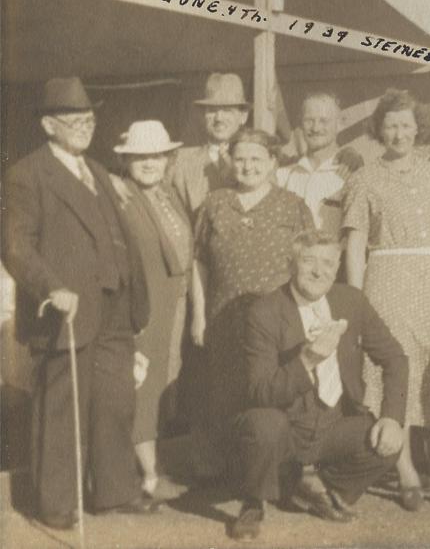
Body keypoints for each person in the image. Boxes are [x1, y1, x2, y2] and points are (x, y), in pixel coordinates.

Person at [2, 77, 158, 529]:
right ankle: (55, 503)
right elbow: (14, 245)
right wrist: (51, 287)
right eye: (74, 120)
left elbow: (117, 237)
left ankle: (114, 491)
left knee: (114, 400)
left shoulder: (99, 170)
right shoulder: (27, 175)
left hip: (114, 305)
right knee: (61, 407)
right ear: (49, 125)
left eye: (89, 118)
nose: (86, 126)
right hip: (65, 309)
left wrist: (134, 295)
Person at [342, 89, 430, 512]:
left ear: (418, 127)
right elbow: (354, 245)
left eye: (406, 125)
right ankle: (405, 473)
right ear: (378, 130)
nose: (399, 133)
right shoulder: (364, 178)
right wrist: (356, 305)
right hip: (386, 280)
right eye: (391, 125)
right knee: (393, 375)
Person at [229, 230, 409, 541]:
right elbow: (259, 391)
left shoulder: (351, 301)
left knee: (387, 444)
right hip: (286, 424)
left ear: (338, 266)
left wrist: (392, 416)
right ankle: (253, 502)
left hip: (332, 422)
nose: (318, 271)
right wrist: (308, 359)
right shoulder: (264, 312)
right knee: (263, 424)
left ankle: (315, 487)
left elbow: (396, 358)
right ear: (290, 264)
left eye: (328, 263)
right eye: (308, 261)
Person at [192, 128, 315, 478]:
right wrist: (198, 316)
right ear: (230, 162)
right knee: (228, 395)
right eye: (240, 159)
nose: (248, 167)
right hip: (223, 319)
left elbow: (308, 262)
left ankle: (284, 470)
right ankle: (235, 471)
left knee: (276, 393)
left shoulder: (293, 206)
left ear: (273, 162)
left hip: (276, 324)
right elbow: (198, 262)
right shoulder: (215, 203)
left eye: (256, 159)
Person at [114, 121, 204, 498]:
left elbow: (190, 256)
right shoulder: (120, 195)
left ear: (167, 159)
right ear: (127, 161)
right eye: (139, 156)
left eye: (155, 155)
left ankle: (154, 464)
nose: (148, 163)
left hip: (175, 302)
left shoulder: (170, 196)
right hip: (143, 303)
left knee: (166, 383)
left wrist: (197, 309)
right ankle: (148, 475)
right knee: (143, 386)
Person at [277, 92, 364, 236]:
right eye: (309, 120)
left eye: (324, 121)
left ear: (339, 124)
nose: (316, 128)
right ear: (300, 124)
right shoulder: (283, 176)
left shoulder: (352, 173)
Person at [169, 72, 251, 220]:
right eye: (212, 111)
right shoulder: (180, 160)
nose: (219, 118)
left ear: (243, 116)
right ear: (202, 116)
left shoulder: (258, 161)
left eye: (227, 110)